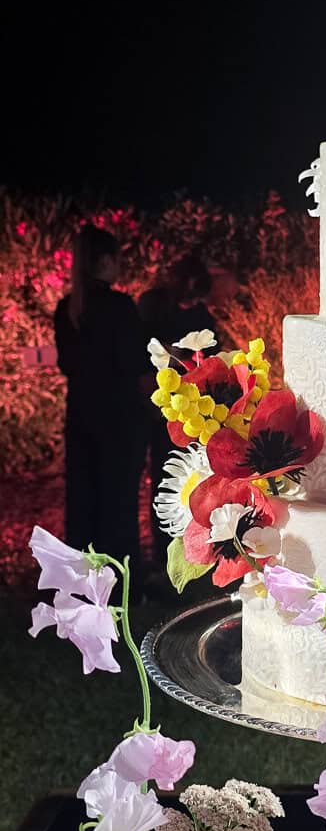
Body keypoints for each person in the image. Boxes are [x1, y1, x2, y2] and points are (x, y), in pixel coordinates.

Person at [54, 225, 148, 589]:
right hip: (119, 420)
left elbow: (67, 365)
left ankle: (81, 583)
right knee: (119, 502)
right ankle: (126, 583)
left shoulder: (68, 309)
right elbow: (134, 364)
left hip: (81, 416)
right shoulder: (119, 307)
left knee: (83, 502)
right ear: (106, 261)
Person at [137, 253, 219, 564]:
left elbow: (210, 351)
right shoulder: (153, 305)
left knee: (186, 474)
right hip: (156, 404)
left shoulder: (198, 312)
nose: (193, 303)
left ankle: (188, 548)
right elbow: (141, 349)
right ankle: (161, 553)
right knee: (162, 478)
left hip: (190, 409)